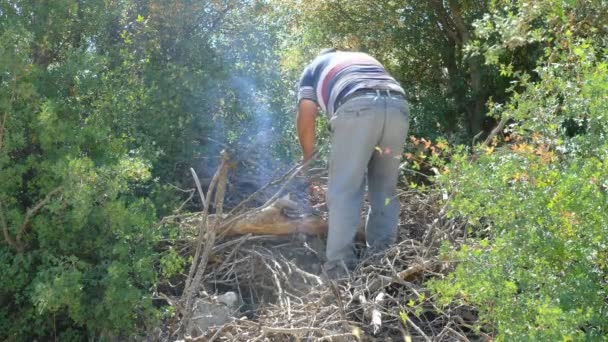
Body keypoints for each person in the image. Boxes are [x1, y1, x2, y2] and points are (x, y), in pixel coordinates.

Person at [296, 48, 410, 278]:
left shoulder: (313, 68)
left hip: (358, 108)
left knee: (344, 191)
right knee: (385, 189)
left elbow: (306, 115)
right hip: (398, 107)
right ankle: (382, 263)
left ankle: (340, 271)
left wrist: (308, 159)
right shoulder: (365, 58)